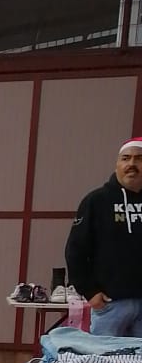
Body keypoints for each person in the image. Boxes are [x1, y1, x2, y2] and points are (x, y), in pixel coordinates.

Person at [66, 138, 142, 336]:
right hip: (110, 306)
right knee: (104, 357)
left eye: (139, 158)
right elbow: (76, 250)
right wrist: (89, 292)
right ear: (117, 164)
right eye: (125, 158)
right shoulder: (96, 201)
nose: (131, 164)